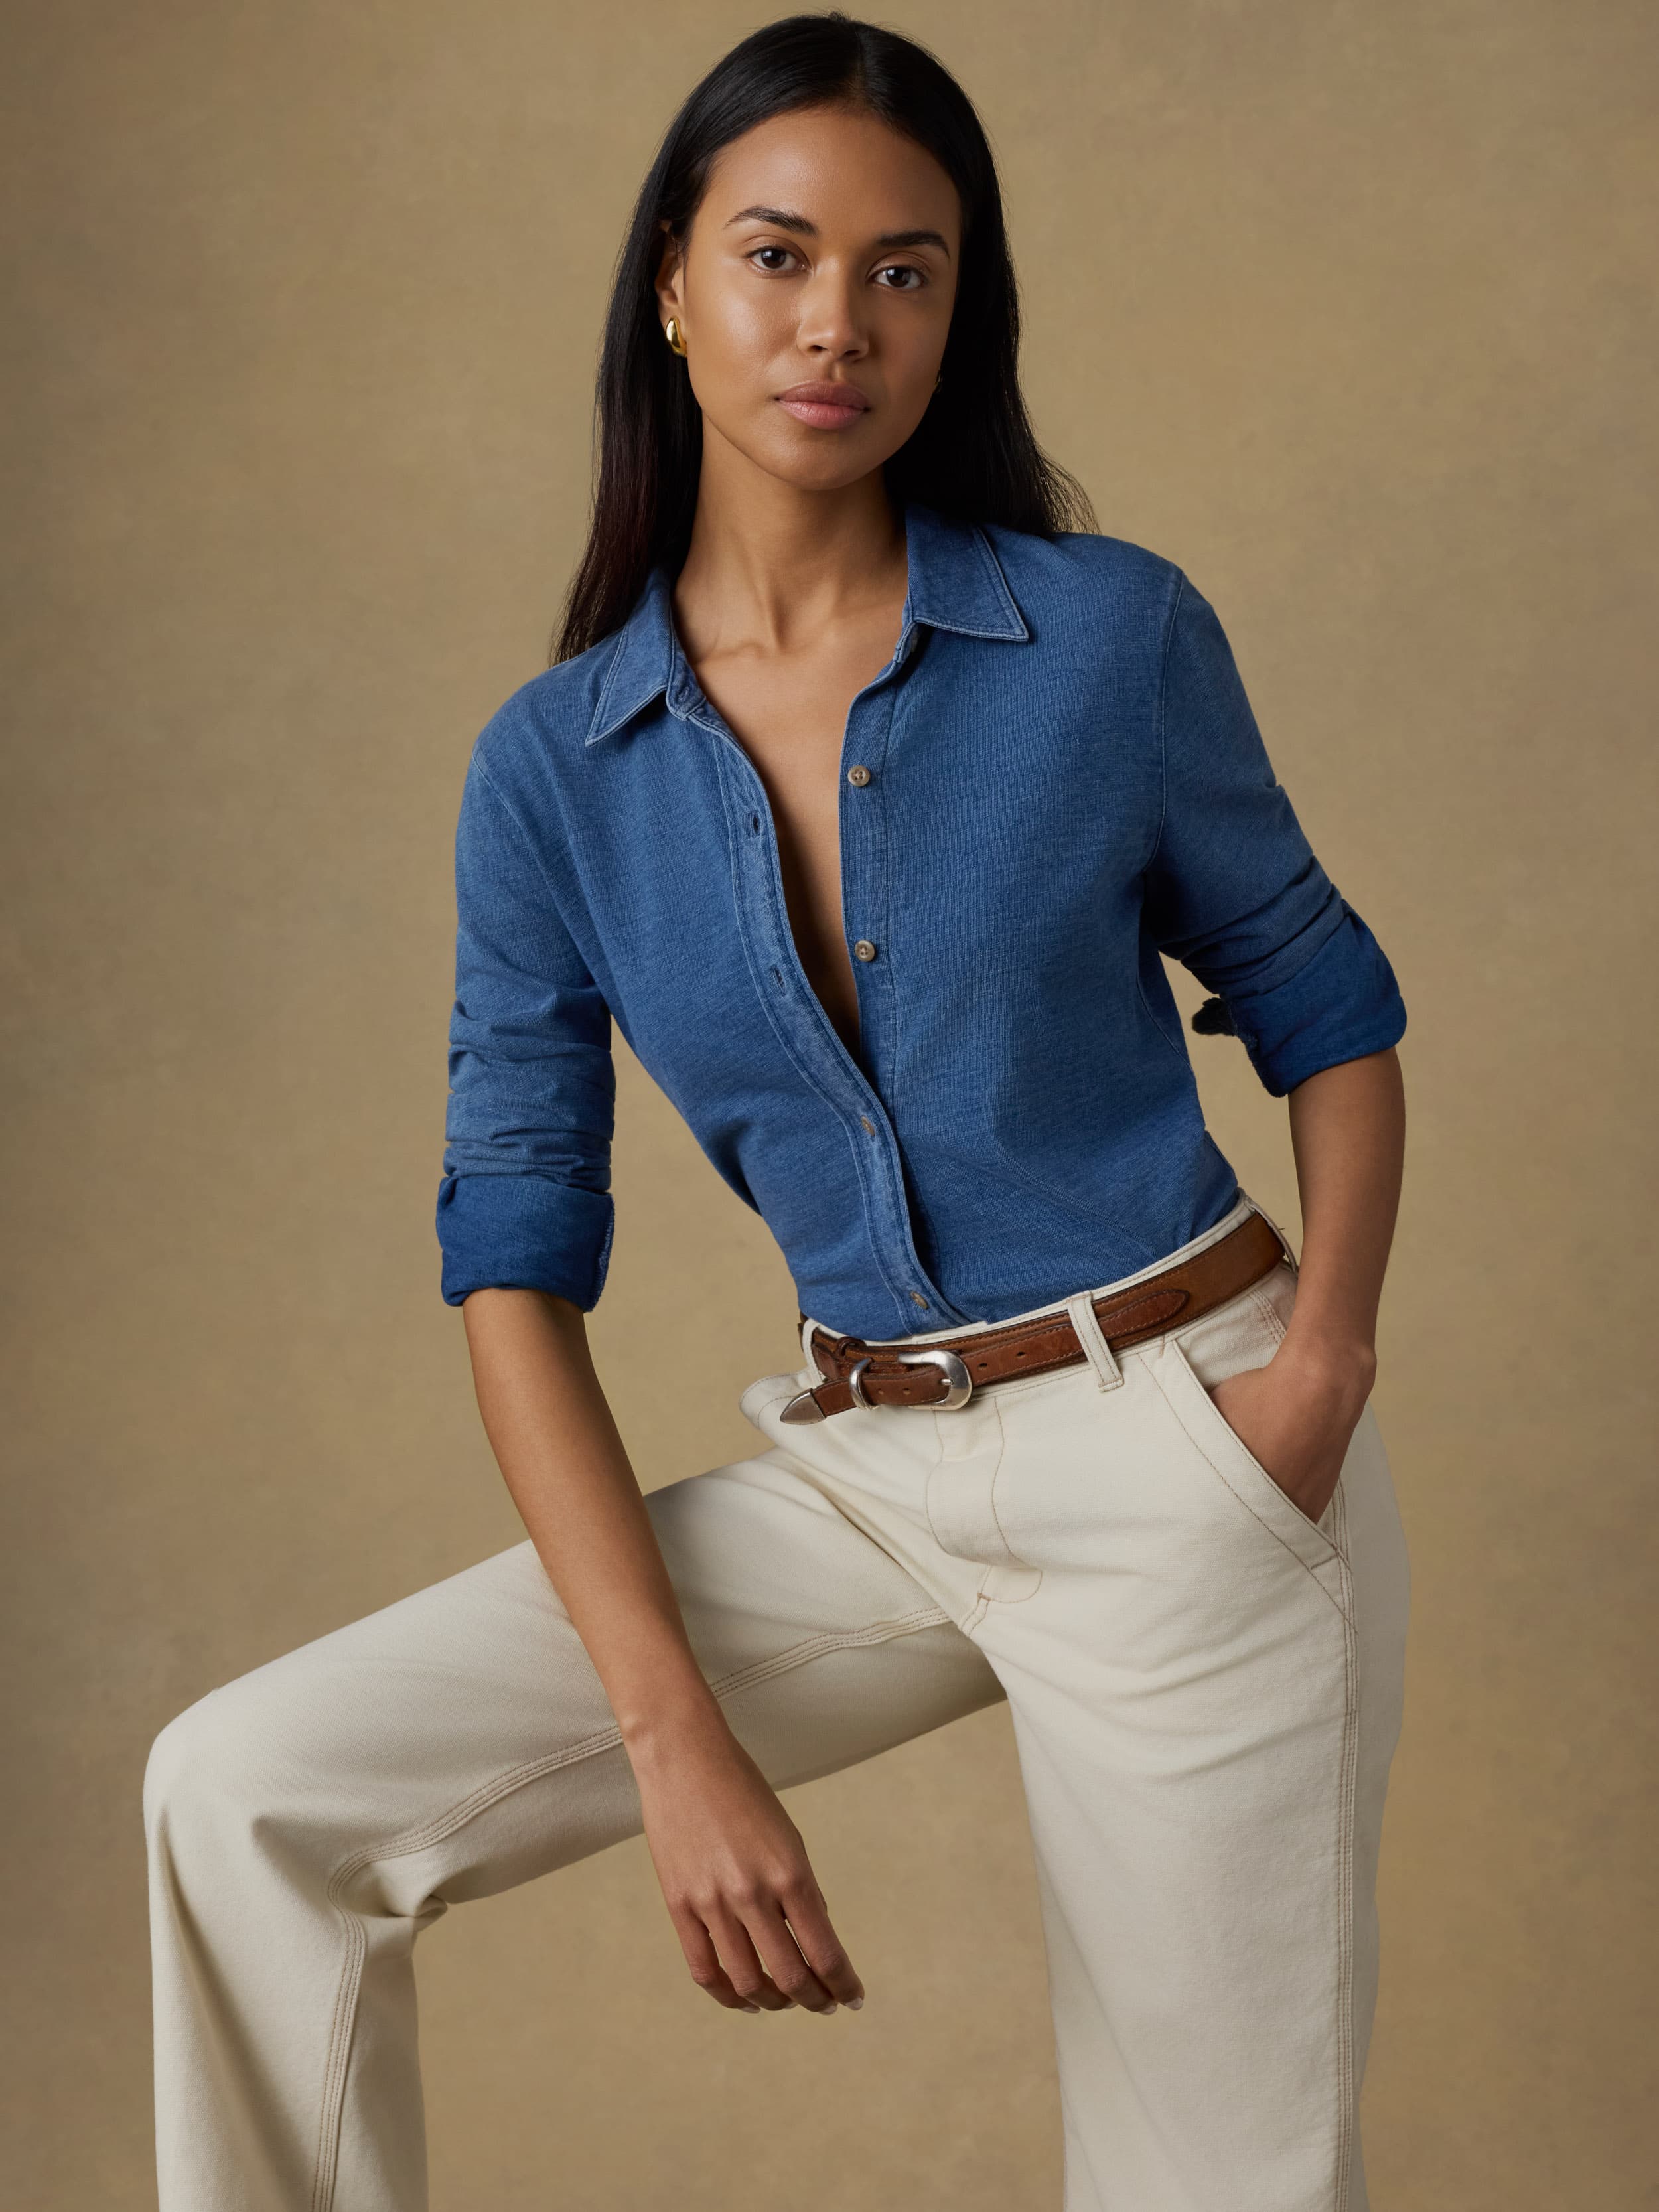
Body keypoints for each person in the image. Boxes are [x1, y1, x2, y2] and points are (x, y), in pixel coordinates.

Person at [143, 13, 1411, 2211]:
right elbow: (511, 1267)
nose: (839, 322)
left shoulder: (1106, 639)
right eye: (779, 253)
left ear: (957, 311)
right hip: (871, 1468)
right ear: (670, 281)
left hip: (1186, 1445)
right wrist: (672, 1740)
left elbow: (1329, 1005)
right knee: (246, 1788)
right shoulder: (552, 767)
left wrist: (1308, 1386)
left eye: (906, 271)